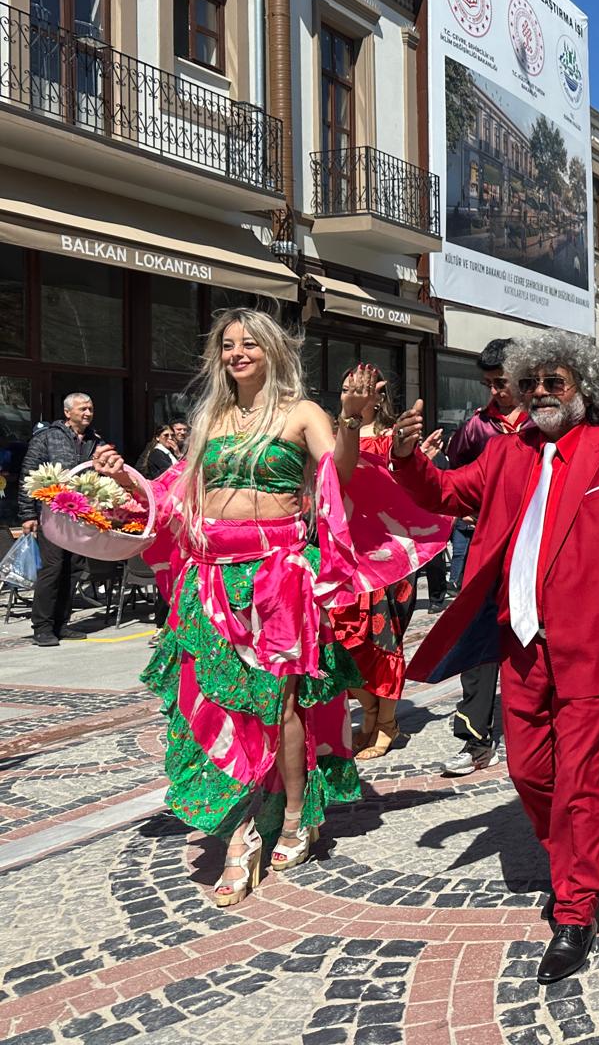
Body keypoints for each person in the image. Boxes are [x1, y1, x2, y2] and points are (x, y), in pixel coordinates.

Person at [93, 309, 449, 907]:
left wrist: (352, 425)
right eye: (227, 345)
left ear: (272, 350)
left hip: (275, 579)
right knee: (214, 702)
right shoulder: (210, 415)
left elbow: (337, 474)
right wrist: (127, 481)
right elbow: (177, 494)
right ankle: (237, 834)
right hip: (208, 580)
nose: (237, 354)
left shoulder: (301, 412)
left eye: (248, 344)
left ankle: (290, 817)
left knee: (278, 704)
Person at [390, 331, 599, 980]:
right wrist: (404, 458)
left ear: (584, 385)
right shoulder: (506, 453)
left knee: (581, 780)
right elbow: (443, 494)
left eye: (553, 383)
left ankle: (576, 909)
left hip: (594, 643)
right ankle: (572, 853)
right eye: (530, 384)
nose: (539, 394)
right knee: (531, 773)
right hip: (521, 641)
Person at [325, 368, 428, 762]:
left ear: (378, 394)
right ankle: (368, 712)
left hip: (389, 553)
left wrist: (408, 451)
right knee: (344, 637)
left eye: (364, 388)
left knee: (384, 638)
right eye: (349, 386)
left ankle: (385, 722)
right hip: (343, 552)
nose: (356, 392)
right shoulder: (329, 437)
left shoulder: (391, 439)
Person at [437, 338, 525, 777]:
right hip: (482, 546)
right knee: (476, 637)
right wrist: (470, 511)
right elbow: (452, 477)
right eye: (488, 383)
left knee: (530, 636)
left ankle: (528, 731)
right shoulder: (476, 426)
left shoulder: (542, 422)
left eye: (501, 382)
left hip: (530, 548)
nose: (494, 391)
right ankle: (474, 740)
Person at [21, 393, 103, 647]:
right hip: (51, 514)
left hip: (80, 516)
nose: (88, 413)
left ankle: (61, 623)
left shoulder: (96, 440)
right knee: (52, 568)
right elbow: (29, 472)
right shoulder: (47, 437)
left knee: (74, 568)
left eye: (90, 408)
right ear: (68, 412)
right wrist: (28, 514)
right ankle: (42, 627)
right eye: (83, 409)